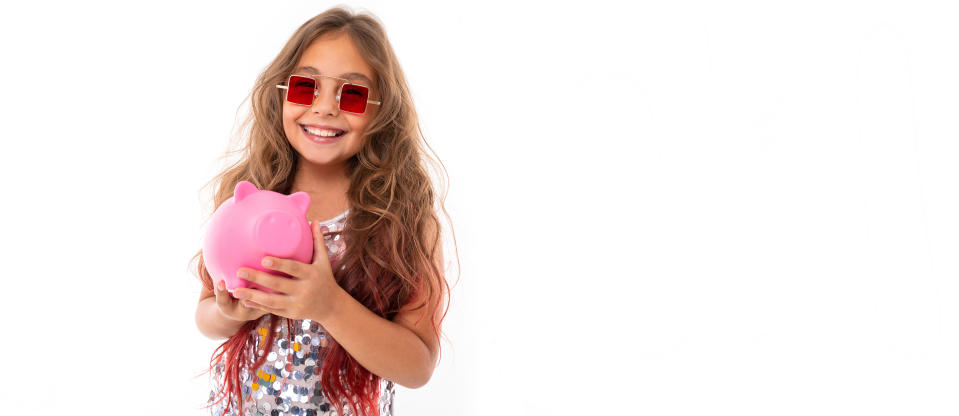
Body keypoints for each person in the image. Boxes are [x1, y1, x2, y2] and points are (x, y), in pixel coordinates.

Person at [191, 7, 456, 416]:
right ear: (281, 93)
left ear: (382, 112)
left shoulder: (403, 219)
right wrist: (229, 313)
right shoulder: (246, 198)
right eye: (305, 87)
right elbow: (206, 314)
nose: (325, 108)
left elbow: (418, 366)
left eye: (351, 94)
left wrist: (329, 305)